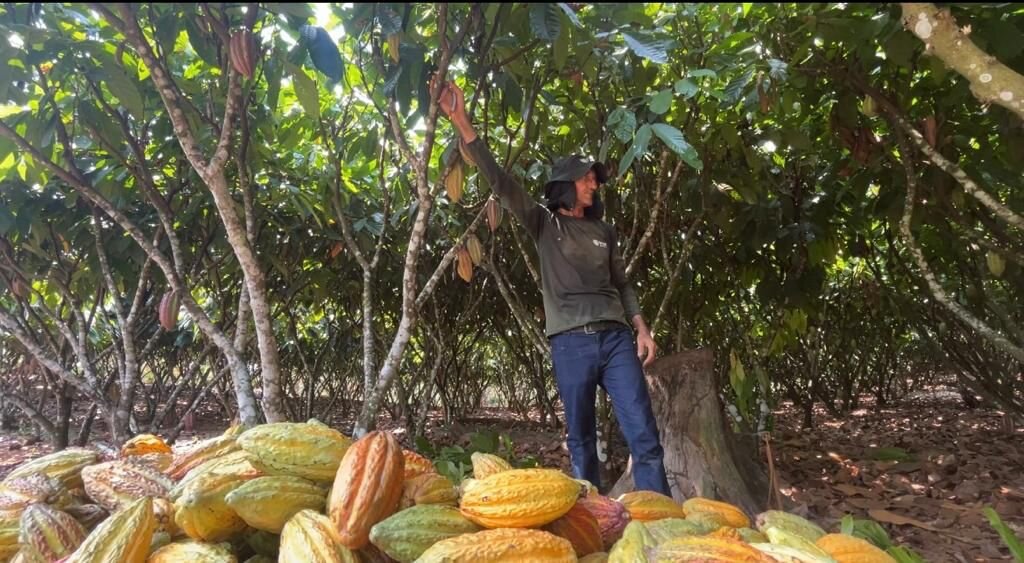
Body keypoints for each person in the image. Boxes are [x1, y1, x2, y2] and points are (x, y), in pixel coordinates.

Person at [436, 80, 671, 496]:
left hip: (616, 339)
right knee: (581, 440)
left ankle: (660, 518)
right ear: (565, 184)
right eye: (585, 179)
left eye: (594, 180)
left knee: (644, 435)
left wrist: (642, 328)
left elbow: (622, 282)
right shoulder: (545, 223)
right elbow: (501, 184)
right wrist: (463, 124)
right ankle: (593, 521)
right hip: (570, 343)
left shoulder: (605, 230)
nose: (593, 185)